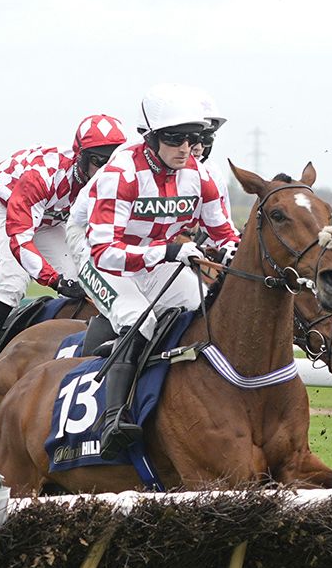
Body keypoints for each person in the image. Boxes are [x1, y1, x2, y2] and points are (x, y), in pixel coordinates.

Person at [75, 84, 241, 458]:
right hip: (96, 252)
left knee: (200, 309)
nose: (187, 148)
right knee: (140, 318)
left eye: (194, 138)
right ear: (150, 138)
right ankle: (113, 419)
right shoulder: (121, 174)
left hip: (158, 252)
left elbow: (224, 234)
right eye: (175, 138)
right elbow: (106, 252)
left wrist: (235, 256)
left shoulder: (201, 174)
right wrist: (168, 250)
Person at [0, 113, 129, 398]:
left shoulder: (111, 182)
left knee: (85, 281)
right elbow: (20, 237)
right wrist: (53, 279)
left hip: (52, 218)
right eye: (98, 161)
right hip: (6, 207)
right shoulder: (42, 176)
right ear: (81, 157)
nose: (104, 171)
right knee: (13, 283)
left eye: (111, 163)